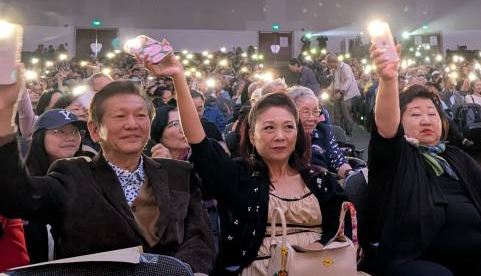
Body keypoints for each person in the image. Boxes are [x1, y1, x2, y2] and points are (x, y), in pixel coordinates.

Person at [142, 53, 347, 275]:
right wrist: (178, 78)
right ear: (252, 135)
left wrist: (317, 248)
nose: (280, 136)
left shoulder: (320, 180)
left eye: (288, 127)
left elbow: (341, 230)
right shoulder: (240, 177)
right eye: (269, 128)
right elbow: (199, 143)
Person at [0, 74, 214, 274]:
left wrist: (183, 269)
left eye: (141, 115)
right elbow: (16, 197)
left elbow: (198, 235)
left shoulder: (178, 173)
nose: (132, 124)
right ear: (94, 130)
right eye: (120, 116)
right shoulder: (72, 175)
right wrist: (4, 114)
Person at [368, 45, 481, 276]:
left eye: (432, 114)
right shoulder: (396, 154)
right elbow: (385, 125)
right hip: (415, 255)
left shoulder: (454, 154)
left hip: (477, 252)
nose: (426, 120)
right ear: (400, 122)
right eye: (415, 114)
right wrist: (388, 78)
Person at [22, 109, 91, 264]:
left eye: (74, 131)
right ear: (39, 137)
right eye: (58, 131)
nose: (70, 137)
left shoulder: (91, 175)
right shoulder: (25, 184)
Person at [287, 85, 354, 178]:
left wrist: (349, 174)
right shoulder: (286, 137)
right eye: (305, 112)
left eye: (315, 111)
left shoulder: (323, 130)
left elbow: (336, 157)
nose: (311, 118)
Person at [326, 54, 360, 136]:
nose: (328, 66)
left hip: (347, 94)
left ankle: (349, 133)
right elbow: (335, 82)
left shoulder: (345, 67)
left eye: (328, 64)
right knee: (337, 114)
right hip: (338, 92)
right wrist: (328, 89)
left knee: (346, 114)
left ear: (333, 62)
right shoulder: (335, 69)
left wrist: (341, 92)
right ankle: (339, 133)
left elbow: (348, 81)